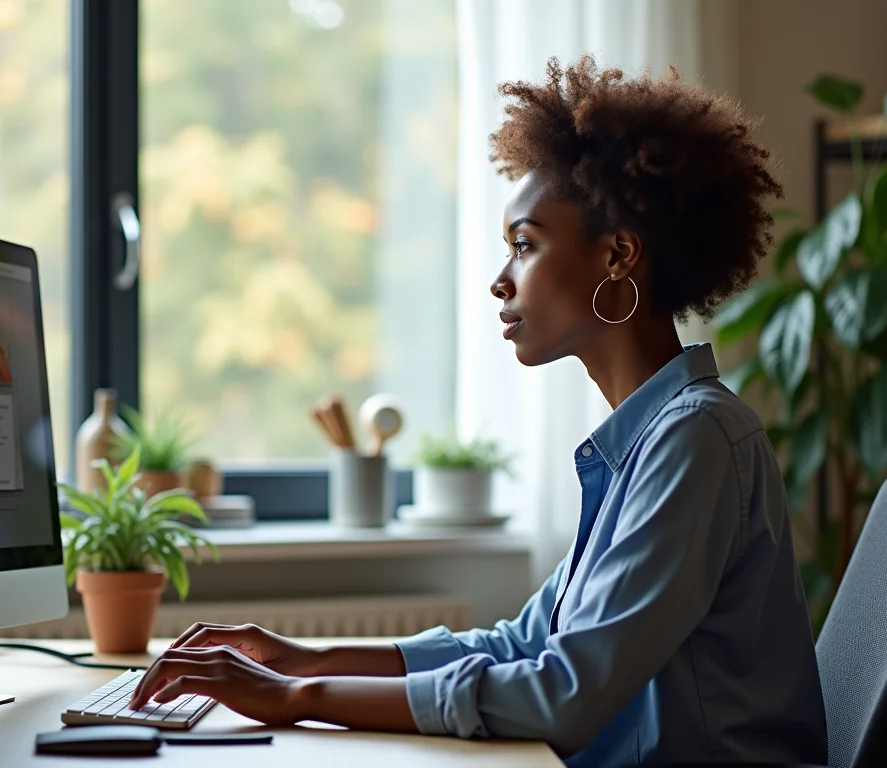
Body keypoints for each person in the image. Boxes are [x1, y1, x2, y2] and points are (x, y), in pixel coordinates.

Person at [129, 55, 828, 766]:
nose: (500, 282)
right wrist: (307, 662)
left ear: (618, 256)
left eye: (525, 245)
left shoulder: (695, 439)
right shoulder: (647, 442)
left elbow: (565, 694)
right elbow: (521, 645)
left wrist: (296, 700)